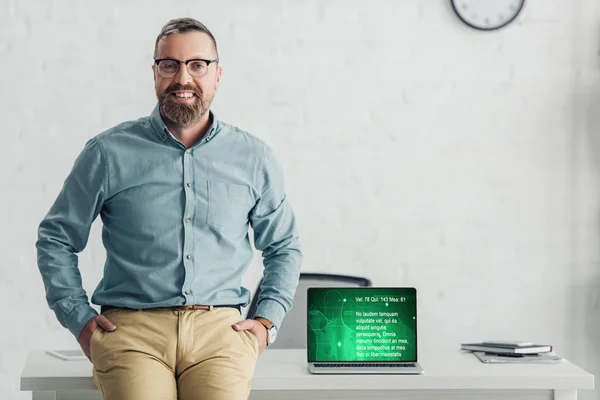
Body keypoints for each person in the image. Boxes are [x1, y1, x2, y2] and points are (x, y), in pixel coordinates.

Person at [35, 17, 302, 400]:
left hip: (221, 332)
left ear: (217, 75)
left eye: (197, 64)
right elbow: (56, 238)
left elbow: (284, 246)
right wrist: (79, 321)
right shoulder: (108, 153)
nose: (183, 78)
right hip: (131, 331)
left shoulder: (253, 158)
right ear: (155, 73)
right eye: (169, 64)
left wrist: (265, 323)